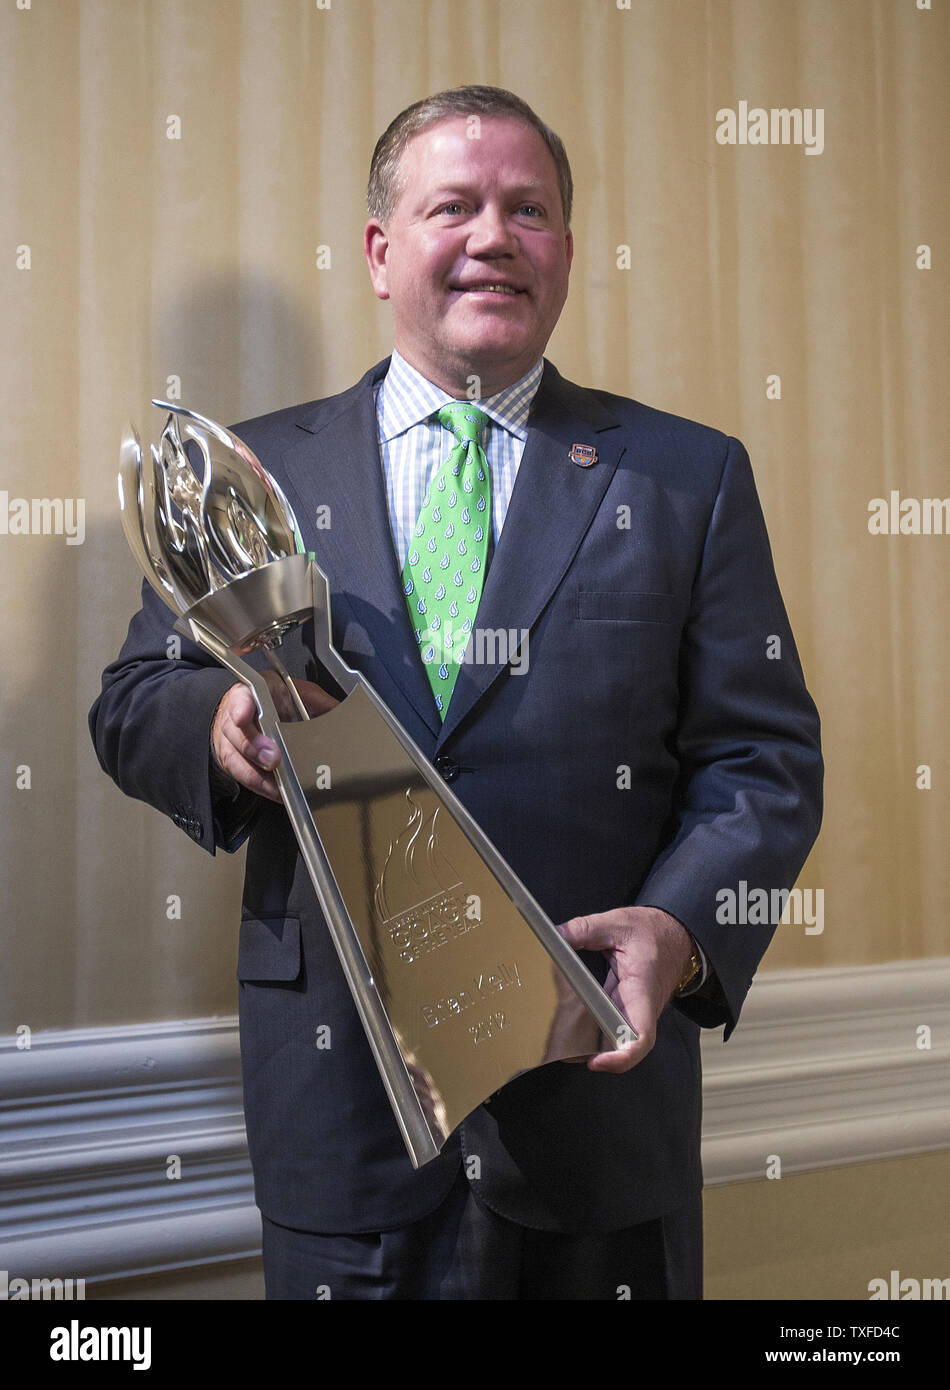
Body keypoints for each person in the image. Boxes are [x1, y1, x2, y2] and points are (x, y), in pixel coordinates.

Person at [90, 85, 822, 1300]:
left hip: (592, 1113)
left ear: (567, 254)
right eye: (453, 207)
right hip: (342, 1124)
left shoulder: (686, 478)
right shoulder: (258, 473)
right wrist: (222, 724)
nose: (493, 235)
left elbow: (764, 758)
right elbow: (131, 700)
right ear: (382, 253)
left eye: (527, 209)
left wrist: (683, 926)